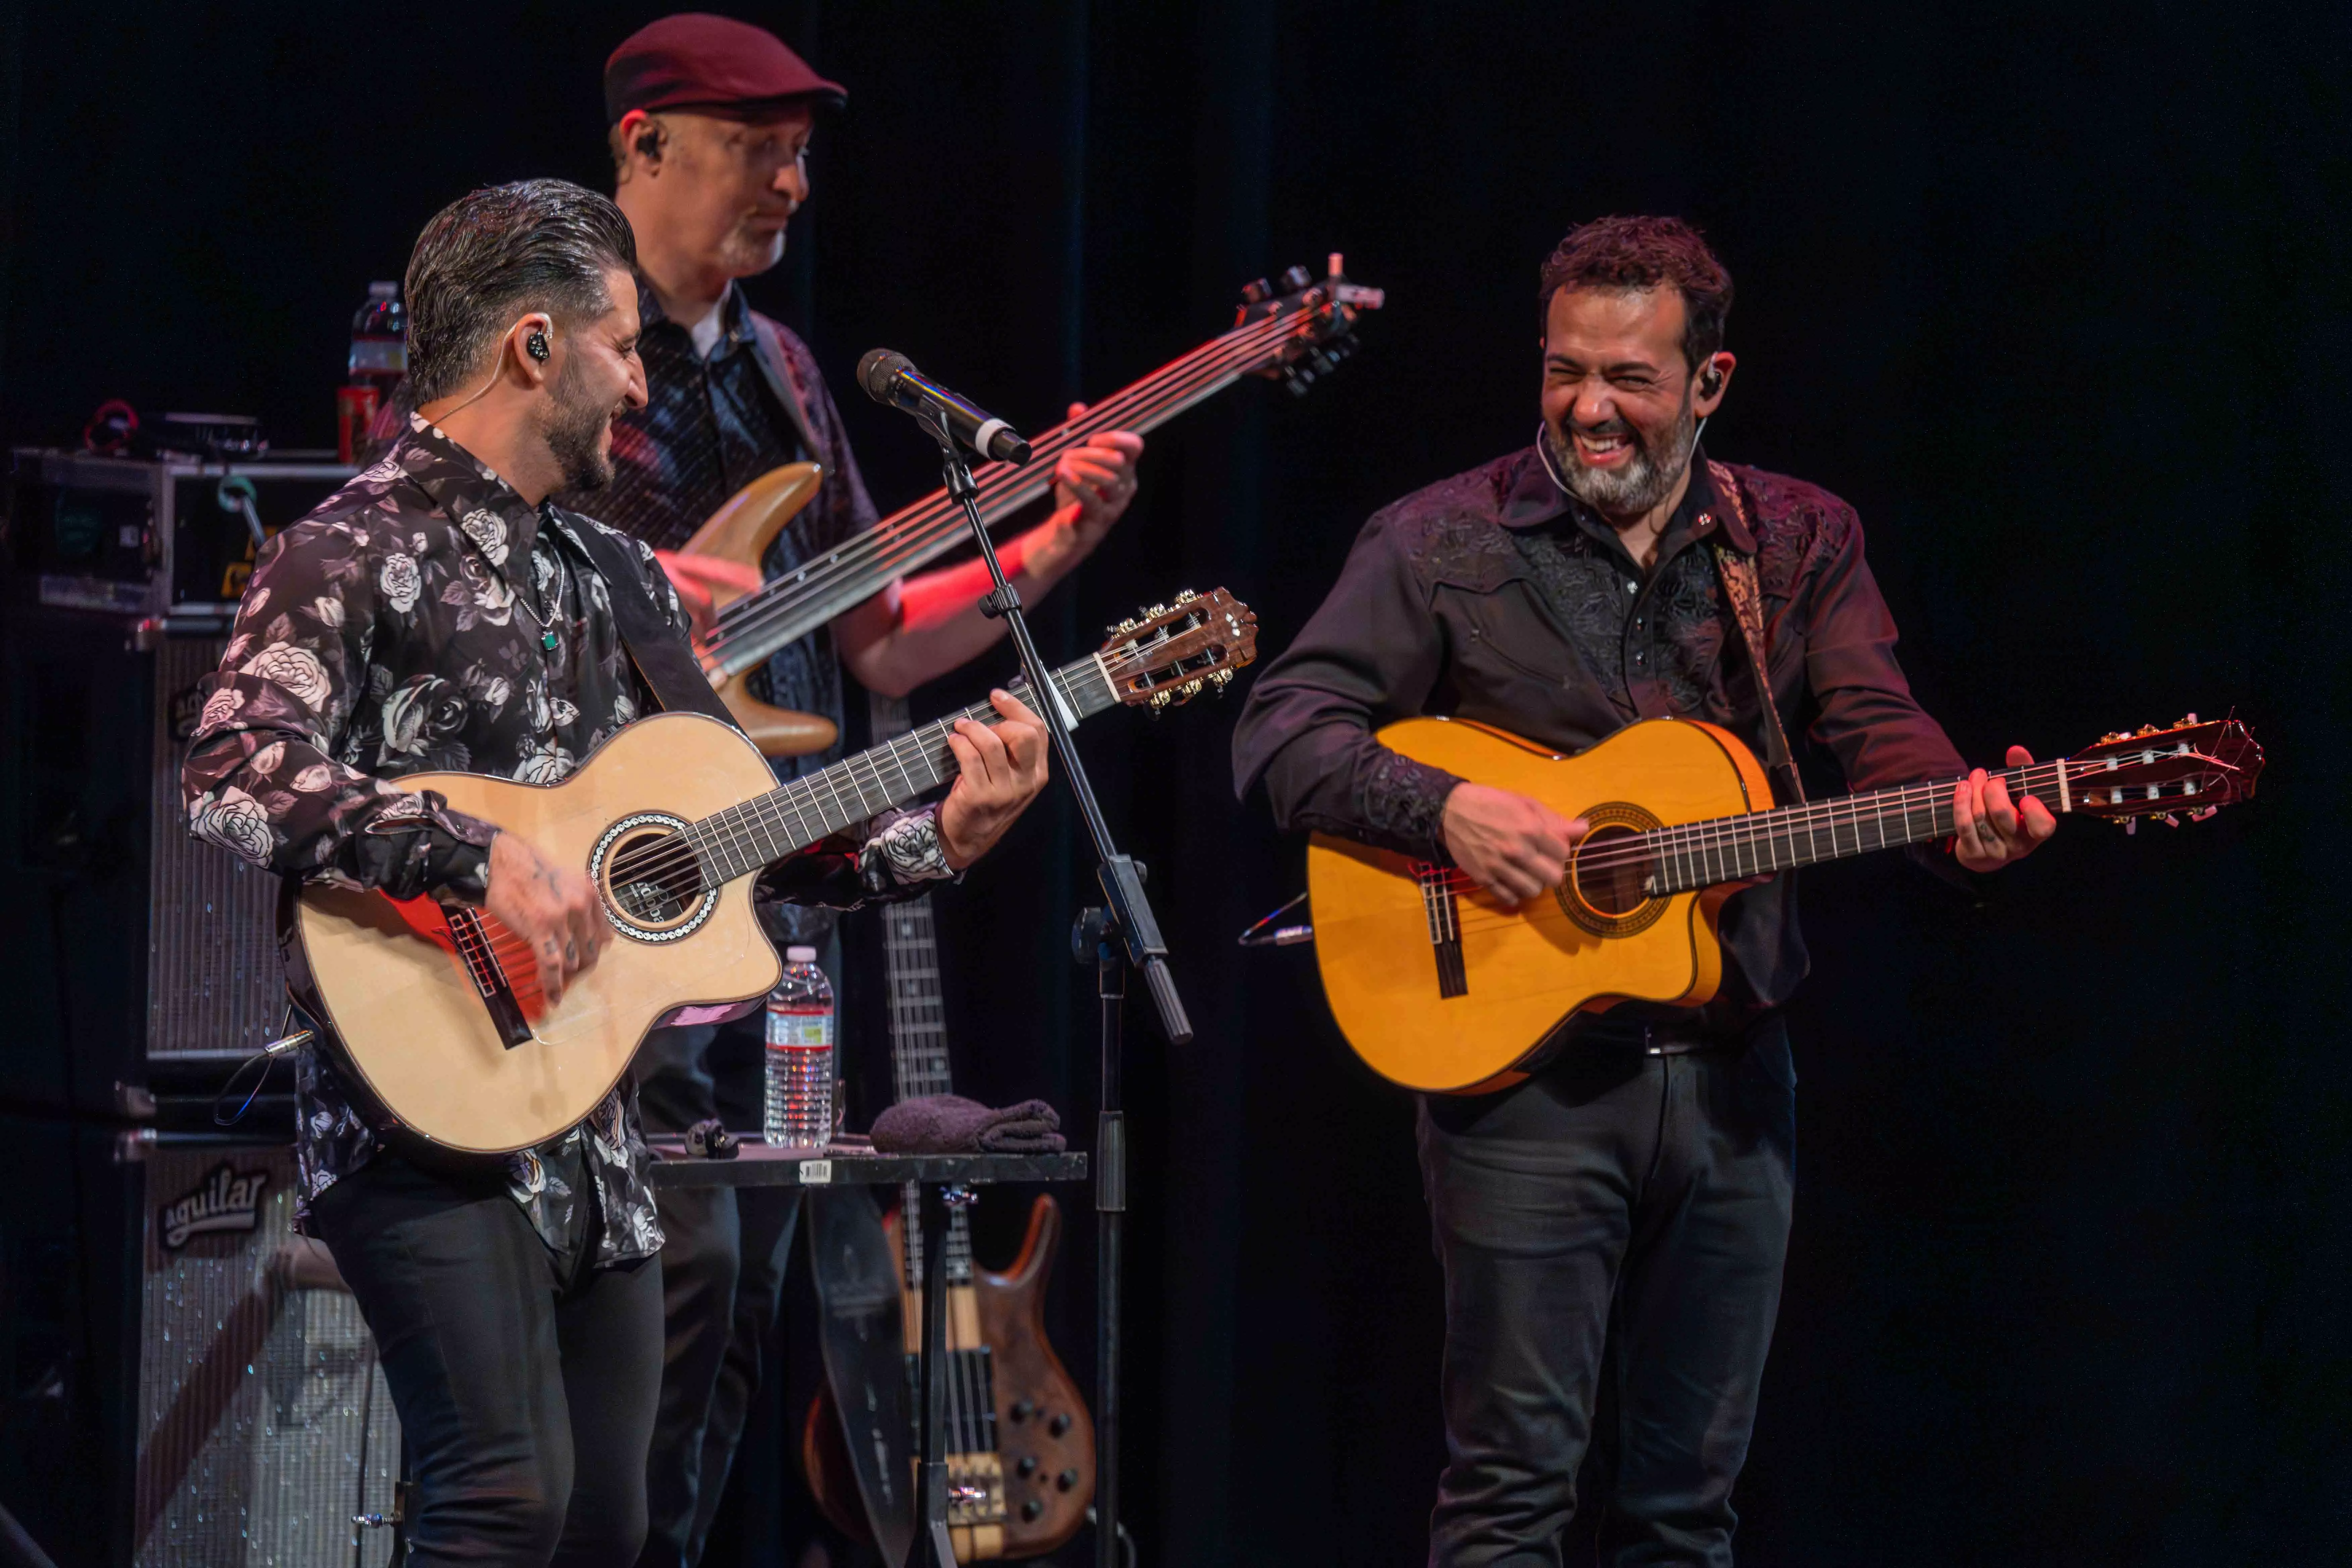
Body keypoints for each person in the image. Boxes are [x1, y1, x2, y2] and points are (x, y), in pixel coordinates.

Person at [180, 179, 1051, 1566]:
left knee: (609, 1520)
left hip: (595, 1119)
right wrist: (471, 856)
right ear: (534, 347)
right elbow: (229, 776)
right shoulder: (342, 554)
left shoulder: (614, 576)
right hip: (417, 1128)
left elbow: (736, 830)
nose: (643, 386)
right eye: (624, 346)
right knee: (500, 1499)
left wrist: (932, 837)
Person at [1230, 215, 2055, 1567]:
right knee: (1510, 1497)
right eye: (1565, 372)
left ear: (1710, 385)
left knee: (1687, 1514)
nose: (1591, 410)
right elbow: (1282, 730)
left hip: (1736, 1079)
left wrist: (1962, 818)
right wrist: (1446, 808)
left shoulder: (1795, 538)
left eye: (1631, 378)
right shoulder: (1440, 539)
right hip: (1523, 1086)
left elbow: (1876, 727)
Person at [580, 17, 1145, 1563]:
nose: (795, 181)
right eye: (759, 144)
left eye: (804, 148)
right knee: (649, 1329)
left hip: (773, 916)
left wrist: (1056, 543)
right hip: (595, 914)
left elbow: (884, 647)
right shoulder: (553, 349)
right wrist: (634, 599)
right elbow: (442, 560)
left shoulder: (781, 371)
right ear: (645, 145)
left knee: (726, 1348)